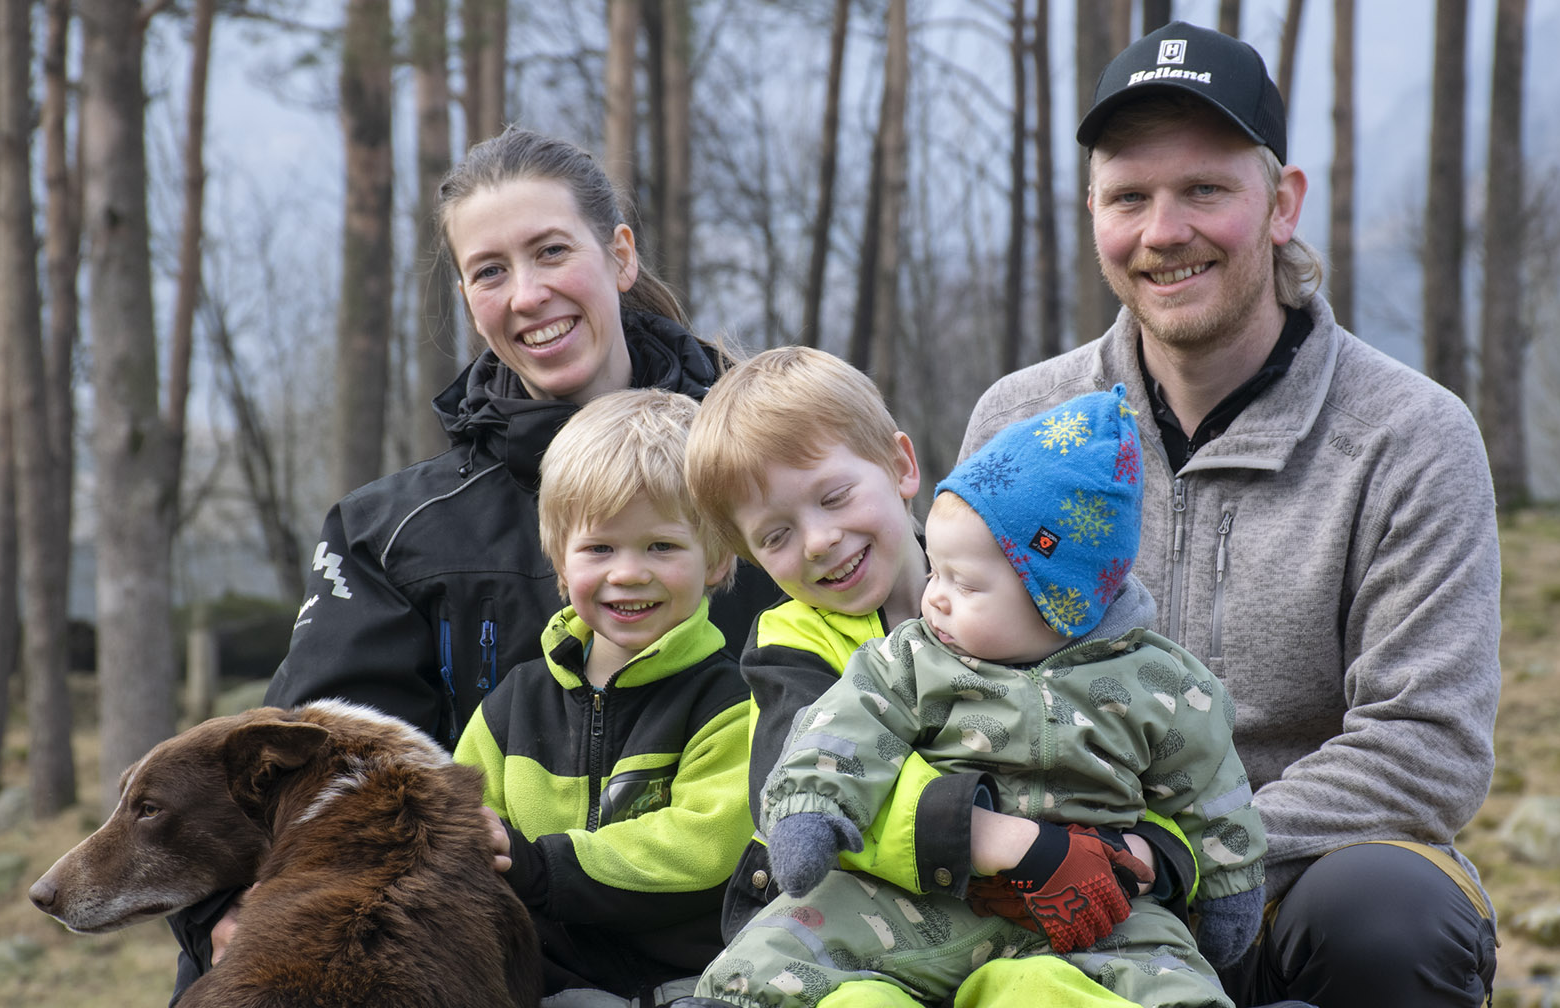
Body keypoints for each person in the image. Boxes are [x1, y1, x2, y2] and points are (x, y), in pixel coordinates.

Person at [166, 126, 777, 1003]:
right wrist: (222, 908)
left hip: (758, 939)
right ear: (466, 294)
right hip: (491, 958)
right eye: (490, 271)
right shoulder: (393, 532)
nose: (527, 295)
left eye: (551, 252)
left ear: (620, 255)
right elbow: (298, 765)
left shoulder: (766, 480)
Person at [959, 21, 1501, 1008]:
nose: (1164, 231)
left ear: (1282, 204)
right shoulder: (1020, 422)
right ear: (1094, 214)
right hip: (1063, 885)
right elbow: (952, 676)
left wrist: (1175, 850)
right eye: (1130, 197)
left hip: (1302, 883)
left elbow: (1427, 746)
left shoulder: (1411, 438)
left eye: (1205, 189)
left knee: (1393, 916)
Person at [689, 387, 1268, 1008]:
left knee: (1148, 977)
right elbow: (828, 746)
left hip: (1082, 914)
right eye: (774, 536)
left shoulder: (1152, 677)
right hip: (902, 909)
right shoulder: (856, 652)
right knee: (792, 962)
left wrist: (1176, 859)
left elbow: (1205, 781)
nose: (818, 541)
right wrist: (1018, 842)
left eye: (834, 498)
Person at [452, 388, 754, 1004]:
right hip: (536, 979)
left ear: (719, 557)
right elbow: (458, 813)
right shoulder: (515, 703)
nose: (628, 573)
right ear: (561, 563)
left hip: (688, 982)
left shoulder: (732, 702)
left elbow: (706, 847)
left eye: (662, 546)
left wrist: (538, 863)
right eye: (599, 548)